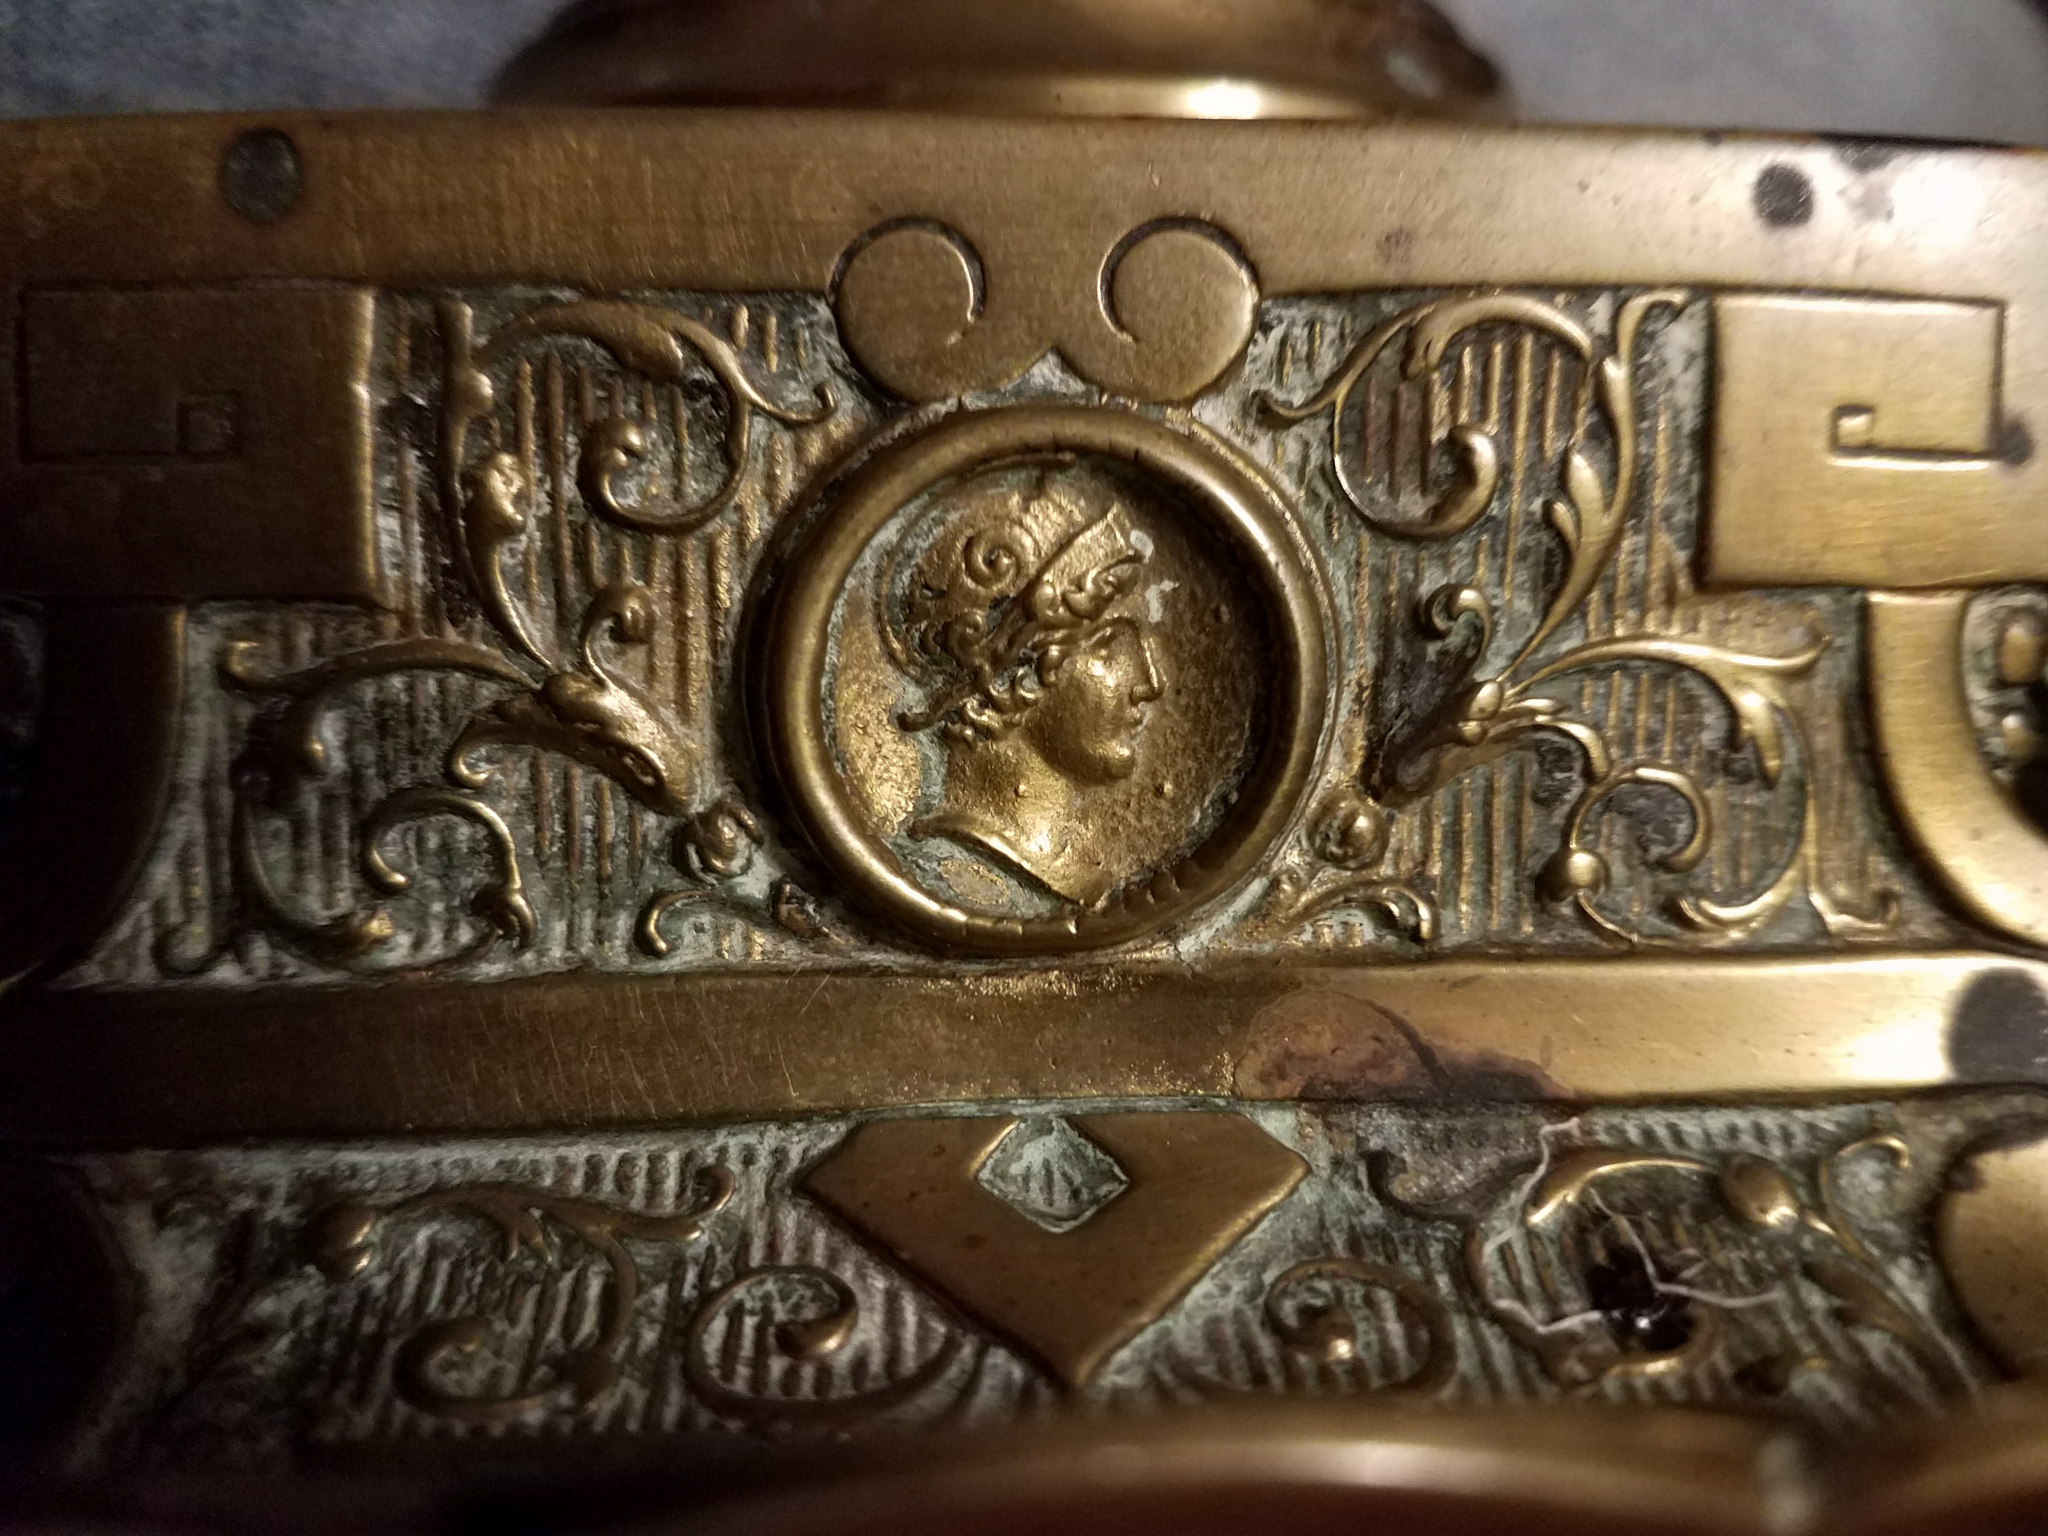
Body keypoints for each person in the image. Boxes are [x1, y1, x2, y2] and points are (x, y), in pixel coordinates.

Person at [886, 468, 1165, 907]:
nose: (1150, 684)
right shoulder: (963, 882)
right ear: (1015, 665)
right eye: (1109, 648)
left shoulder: (1083, 874)